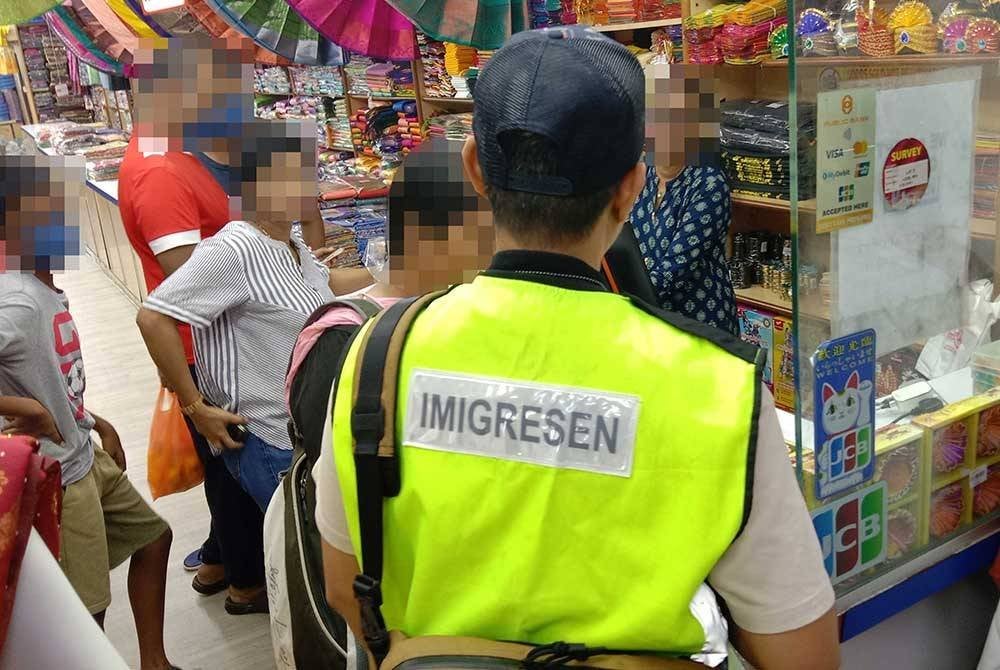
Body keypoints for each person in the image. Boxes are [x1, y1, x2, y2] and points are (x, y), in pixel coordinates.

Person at [318, 27, 839, 669]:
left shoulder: (379, 357)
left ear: (474, 168)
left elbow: (344, 586)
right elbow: (804, 655)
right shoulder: (721, 390)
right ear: (630, 188)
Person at [269, 137, 492, 668]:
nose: (495, 258)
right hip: (376, 612)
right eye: (489, 236)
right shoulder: (346, 341)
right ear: (430, 237)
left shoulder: (448, 321)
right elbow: (343, 509)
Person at [0, 154, 179, 670]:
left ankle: (154, 661)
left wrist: (95, 420)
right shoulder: (17, 300)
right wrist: (26, 410)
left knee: (154, 537)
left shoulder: (41, 288)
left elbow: (50, 374)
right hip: (57, 473)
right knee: (87, 609)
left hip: (81, 450)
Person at [121, 35, 270, 607]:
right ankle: (246, 585)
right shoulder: (159, 171)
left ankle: (216, 562)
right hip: (207, 350)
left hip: (210, 344)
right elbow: (192, 284)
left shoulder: (169, 146)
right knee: (235, 466)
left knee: (224, 467)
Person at [137, 120, 333, 526]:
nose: (303, 187)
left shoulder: (288, 242)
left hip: (301, 429)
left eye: (307, 173)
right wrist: (196, 408)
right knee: (298, 541)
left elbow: (326, 282)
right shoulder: (235, 248)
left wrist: (402, 274)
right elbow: (153, 317)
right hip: (269, 439)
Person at [628, 62, 737, 336]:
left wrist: (619, 299)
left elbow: (673, 270)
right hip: (650, 321)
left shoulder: (709, 183)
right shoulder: (643, 172)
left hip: (699, 326)